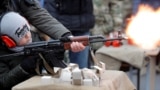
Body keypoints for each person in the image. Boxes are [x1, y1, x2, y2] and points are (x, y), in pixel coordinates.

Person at [0, 0, 86, 89]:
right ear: (9, 41)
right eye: (22, 34)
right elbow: (4, 82)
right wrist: (23, 69)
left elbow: (36, 13)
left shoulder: (34, 39)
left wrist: (61, 47)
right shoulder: (4, 55)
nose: (28, 35)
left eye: (27, 30)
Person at [44, 0, 95, 68]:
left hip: (80, 31)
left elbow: (88, 18)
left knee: (80, 70)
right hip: (58, 32)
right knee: (52, 68)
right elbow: (50, 18)